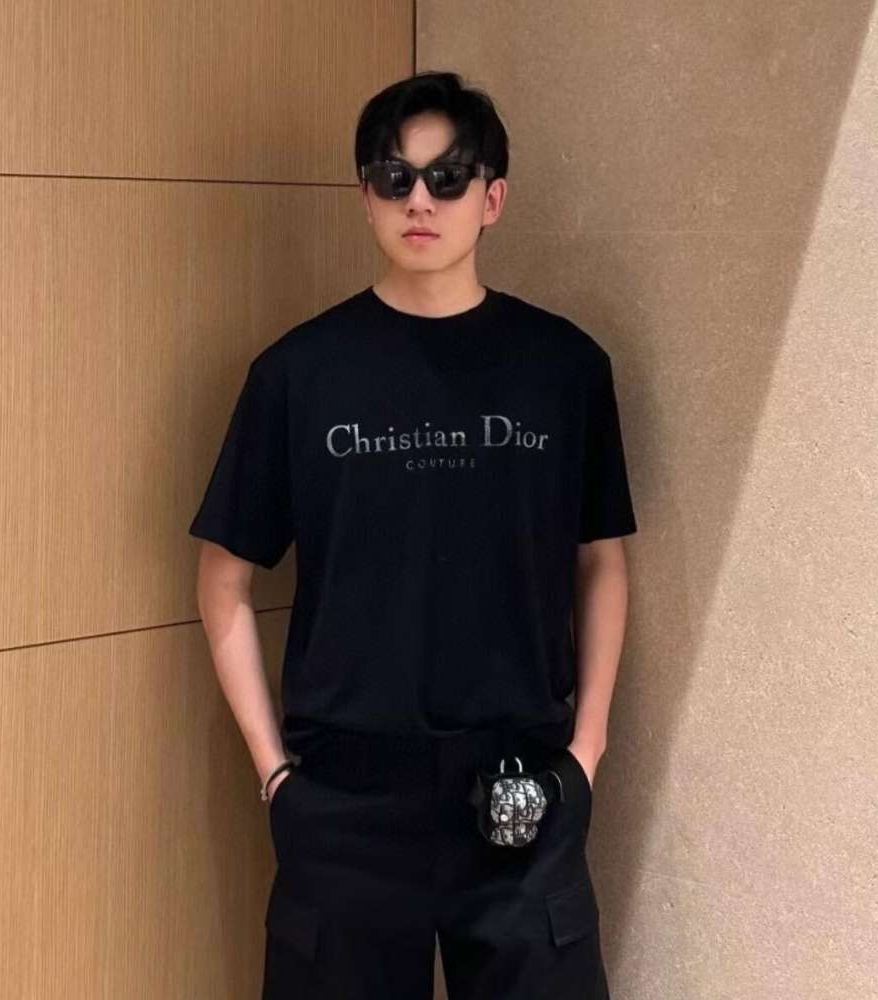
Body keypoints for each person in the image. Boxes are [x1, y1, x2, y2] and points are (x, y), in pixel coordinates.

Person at [189, 70, 637, 1000]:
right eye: (395, 178)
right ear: (366, 196)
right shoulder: (298, 375)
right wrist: (276, 777)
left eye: (448, 176)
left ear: (492, 197)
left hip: (524, 786)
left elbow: (601, 559)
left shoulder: (564, 369)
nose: (420, 201)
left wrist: (586, 754)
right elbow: (223, 579)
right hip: (345, 799)